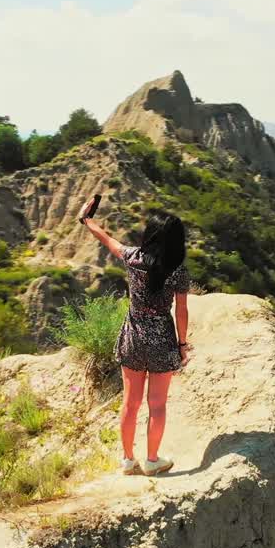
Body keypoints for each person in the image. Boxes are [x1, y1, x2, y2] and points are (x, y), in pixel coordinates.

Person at [77, 198, 191, 476]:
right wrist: (183, 344)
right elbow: (182, 312)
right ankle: (152, 460)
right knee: (157, 405)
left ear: (149, 235)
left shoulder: (132, 257)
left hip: (132, 335)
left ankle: (128, 460)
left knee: (130, 402)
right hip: (162, 340)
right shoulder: (177, 271)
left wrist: (86, 219)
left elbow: (107, 239)